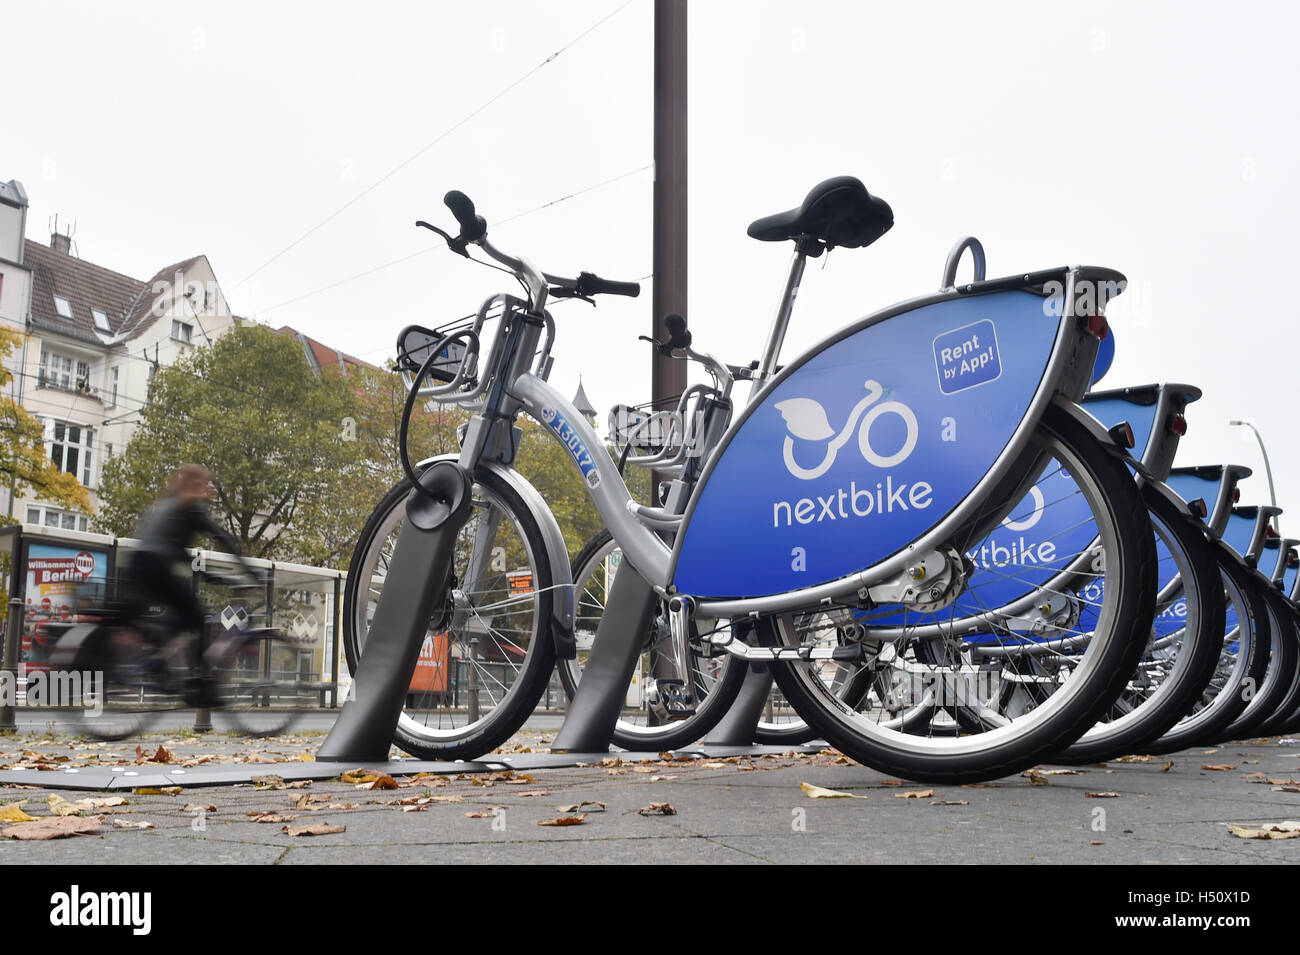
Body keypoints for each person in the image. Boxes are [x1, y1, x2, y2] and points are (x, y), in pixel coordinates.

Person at [118, 464, 255, 706]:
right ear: (196, 485)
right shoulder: (191, 509)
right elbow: (223, 538)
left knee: (177, 616)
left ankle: (160, 664)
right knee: (198, 619)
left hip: (139, 566)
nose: (207, 492)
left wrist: (209, 576)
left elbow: (178, 551)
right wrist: (249, 570)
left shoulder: (168, 504)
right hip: (156, 567)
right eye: (205, 486)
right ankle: (201, 684)